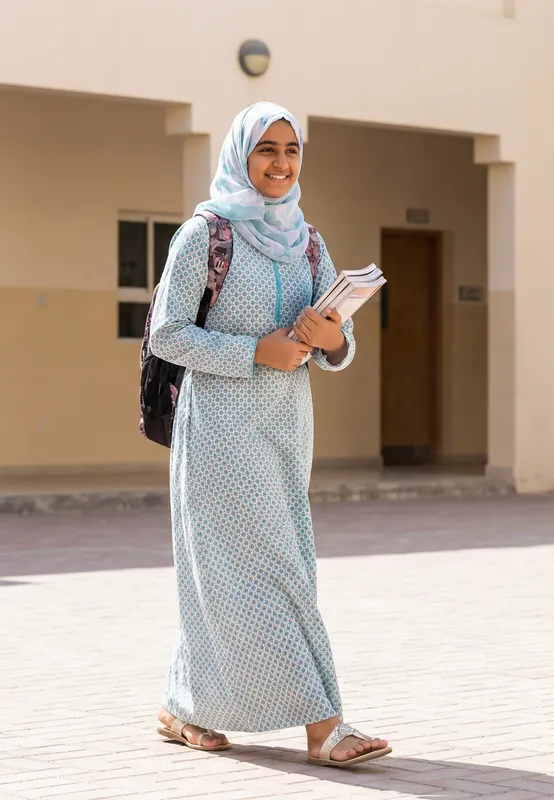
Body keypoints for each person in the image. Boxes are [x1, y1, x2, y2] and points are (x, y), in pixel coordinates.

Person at [149, 102, 390, 768]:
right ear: (240, 155)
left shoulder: (306, 240)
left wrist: (331, 336)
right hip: (221, 427)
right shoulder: (207, 234)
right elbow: (167, 333)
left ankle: (184, 706)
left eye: (291, 151)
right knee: (275, 567)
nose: (281, 164)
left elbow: (337, 340)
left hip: (287, 424)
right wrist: (255, 350)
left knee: (238, 572)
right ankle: (326, 727)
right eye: (267, 150)